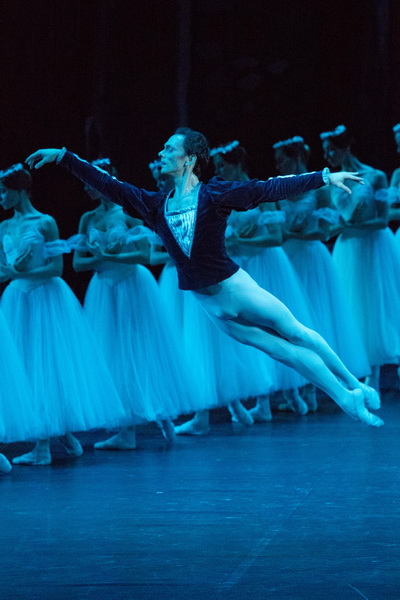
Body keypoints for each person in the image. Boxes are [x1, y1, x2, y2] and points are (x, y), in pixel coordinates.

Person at [25, 127, 383, 427]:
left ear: (190, 159)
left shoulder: (215, 193)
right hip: (211, 306)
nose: (161, 153)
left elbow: (268, 188)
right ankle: (348, 400)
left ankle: (354, 385)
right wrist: (63, 156)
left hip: (236, 288)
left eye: (169, 149)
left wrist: (324, 176)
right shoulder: (153, 205)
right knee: (283, 352)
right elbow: (107, 184)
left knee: (295, 333)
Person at [0, 163, 126, 466]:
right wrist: (9, 275)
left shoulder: (45, 222)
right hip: (18, 299)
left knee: (46, 364)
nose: (1, 198)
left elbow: (56, 267)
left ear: (19, 191)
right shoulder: (4, 227)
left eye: (4, 192)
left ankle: (43, 447)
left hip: (45, 298)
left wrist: (19, 274)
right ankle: (66, 438)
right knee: (24, 365)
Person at [73, 158, 204, 448]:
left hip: (131, 285)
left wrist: (107, 258)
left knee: (142, 349)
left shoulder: (128, 211)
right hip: (104, 290)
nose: (87, 188)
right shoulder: (88, 219)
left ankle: (162, 413)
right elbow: (77, 263)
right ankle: (127, 428)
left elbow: (144, 253)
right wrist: (100, 259)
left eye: (90, 182)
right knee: (114, 353)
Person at [321, 124, 400, 392]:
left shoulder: (375, 176)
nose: (328, 155)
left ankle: (374, 374)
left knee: (373, 304)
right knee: (350, 304)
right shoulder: (330, 180)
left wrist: (350, 227)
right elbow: (331, 221)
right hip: (348, 248)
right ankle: (355, 369)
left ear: (345, 147)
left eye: (332, 149)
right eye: (326, 151)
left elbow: (382, 220)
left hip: (372, 246)